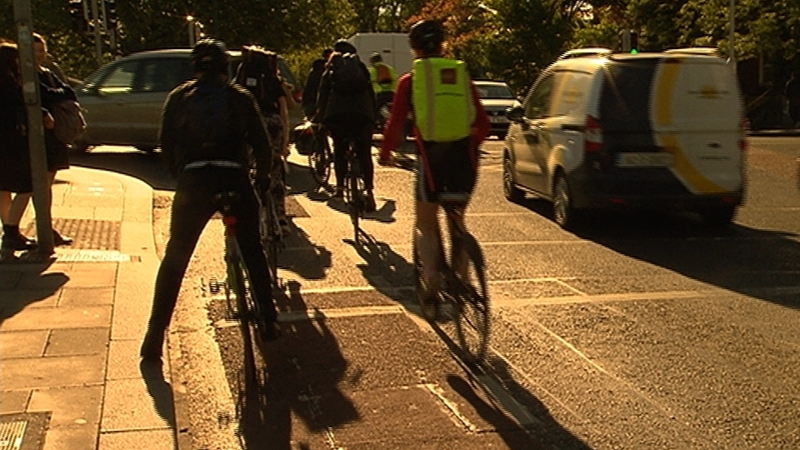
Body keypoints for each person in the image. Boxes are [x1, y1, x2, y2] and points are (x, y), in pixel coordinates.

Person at [140, 39, 280, 360]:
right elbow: (262, 144)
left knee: (176, 257)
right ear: (226, 68)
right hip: (233, 176)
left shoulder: (179, 97)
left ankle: (154, 336)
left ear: (195, 68)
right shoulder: (240, 97)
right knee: (252, 248)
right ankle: (269, 319)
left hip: (195, 181)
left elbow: (166, 144)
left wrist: (182, 176)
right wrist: (261, 179)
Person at [379, 20, 490, 300]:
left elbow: (395, 123)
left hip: (431, 160)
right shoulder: (462, 76)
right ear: (443, 45)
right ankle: (464, 280)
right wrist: (468, 143)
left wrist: (385, 153)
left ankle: (430, 277)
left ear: (415, 48)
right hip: (464, 160)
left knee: (426, 223)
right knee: (457, 220)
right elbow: (484, 124)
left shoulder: (410, 81)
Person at [235, 46, 291, 236]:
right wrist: (284, 142)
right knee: (275, 169)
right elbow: (283, 109)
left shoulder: (242, 75)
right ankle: (281, 217)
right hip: (272, 123)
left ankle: (247, 215)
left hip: (248, 124)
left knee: (246, 168)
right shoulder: (271, 77)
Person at [316, 40, 378, 212]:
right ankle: (369, 191)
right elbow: (370, 93)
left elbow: (322, 96)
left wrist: (322, 120)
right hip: (362, 115)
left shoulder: (331, 69)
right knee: (364, 153)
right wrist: (373, 118)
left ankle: (340, 189)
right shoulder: (360, 67)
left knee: (339, 150)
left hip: (338, 116)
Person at [33, 33, 76, 246]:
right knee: (40, 183)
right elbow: (47, 95)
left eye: (41, 50)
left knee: (48, 181)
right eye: (34, 50)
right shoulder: (27, 76)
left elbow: (68, 91)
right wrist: (57, 93)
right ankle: (42, 227)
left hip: (55, 133)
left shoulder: (47, 72)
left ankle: (46, 226)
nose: (38, 54)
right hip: (41, 134)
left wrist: (56, 93)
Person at [302, 48, 332, 120]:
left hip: (311, 104)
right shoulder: (332, 71)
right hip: (327, 107)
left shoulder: (315, 69)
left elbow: (308, 88)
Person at [368, 52, 397, 126]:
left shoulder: (372, 69)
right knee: (392, 110)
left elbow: (368, 82)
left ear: (372, 61)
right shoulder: (390, 68)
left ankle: (379, 124)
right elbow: (395, 79)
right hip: (391, 93)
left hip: (380, 93)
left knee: (375, 110)